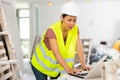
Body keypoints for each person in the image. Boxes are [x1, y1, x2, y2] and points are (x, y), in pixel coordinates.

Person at [31, 1, 91, 80]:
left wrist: (84, 66)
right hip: (40, 66)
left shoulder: (75, 29)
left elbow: (79, 49)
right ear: (62, 17)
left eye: (74, 20)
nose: (72, 23)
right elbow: (56, 53)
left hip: (56, 68)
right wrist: (69, 70)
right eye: (69, 20)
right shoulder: (52, 30)